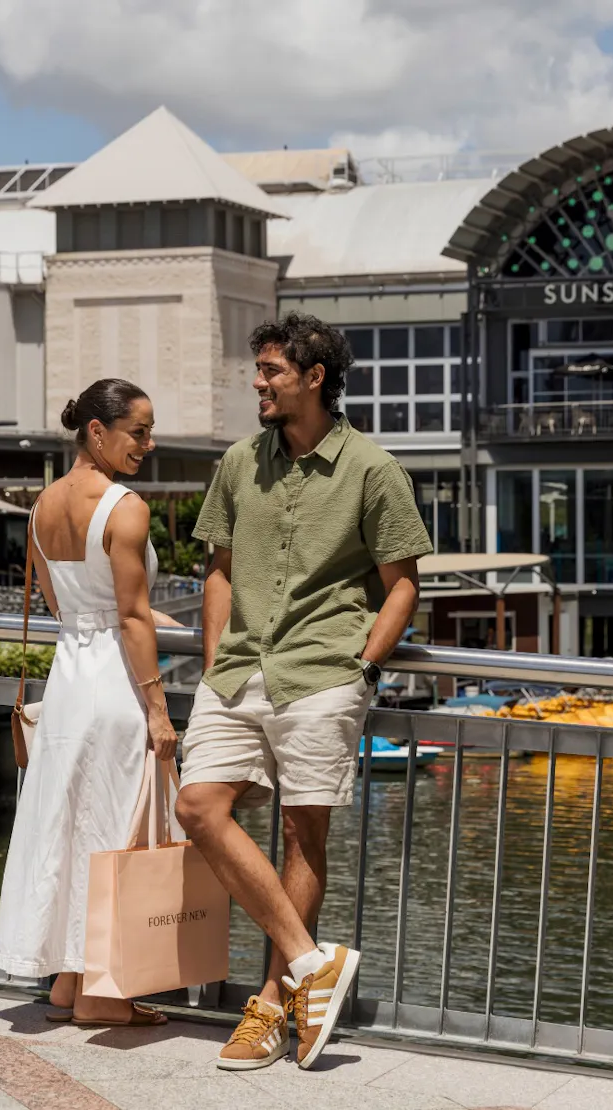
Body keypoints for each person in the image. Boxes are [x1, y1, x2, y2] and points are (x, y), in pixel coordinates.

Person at [175, 313, 431, 1071]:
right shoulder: (237, 463)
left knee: (301, 835)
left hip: (323, 672)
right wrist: (216, 656)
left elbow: (403, 583)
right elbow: (218, 568)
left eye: (272, 371)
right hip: (236, 670)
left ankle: (269, 1010)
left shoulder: (374, 469)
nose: (258, 383)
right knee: (197, 807)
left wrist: (365, 667)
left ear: (315, 378)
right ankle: (311, 961)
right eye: (258, 370)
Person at [0, 377, 179, 1028]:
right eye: (138, 432)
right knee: (115, 833)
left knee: (70, 826)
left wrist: (141, 618)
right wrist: (159, 712)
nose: (147, 445)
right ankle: (103, 993)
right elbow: (128, 616)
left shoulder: (41, 507)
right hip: (115, 685)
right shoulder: (126, 507)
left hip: (68, 680)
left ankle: (69, 981)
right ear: (97, 432)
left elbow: (64, 605)